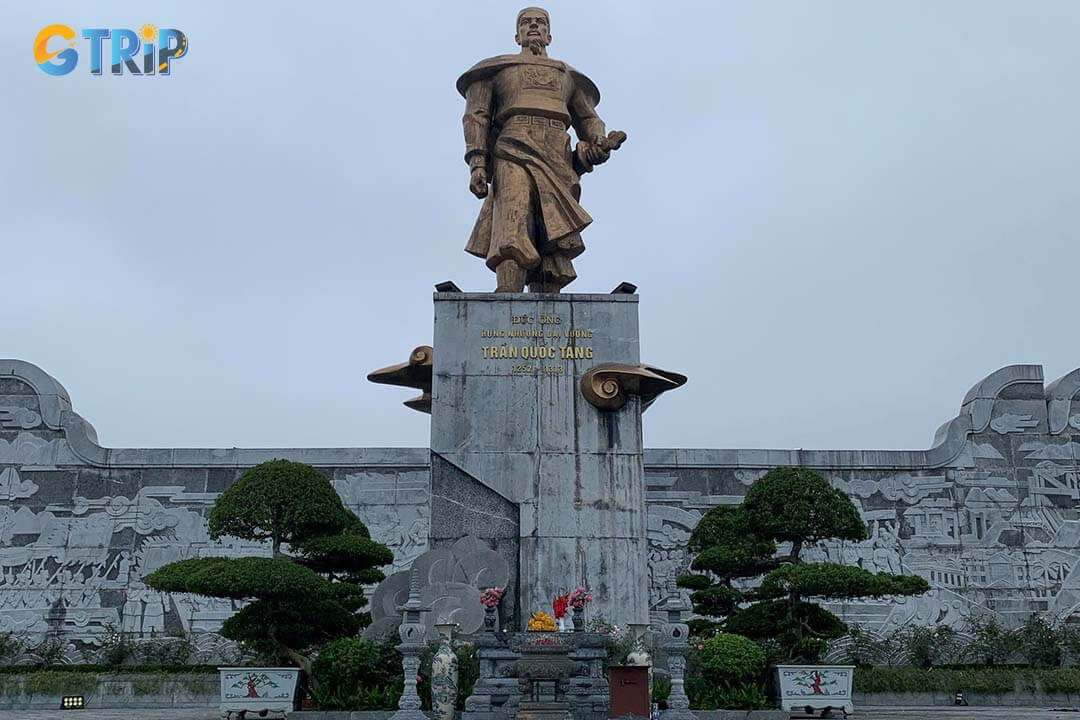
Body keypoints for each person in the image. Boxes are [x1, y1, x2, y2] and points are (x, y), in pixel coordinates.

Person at [458, 7, 624, 292]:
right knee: (513, 217)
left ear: (549, 35)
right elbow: (477, 115)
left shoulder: (566, 75)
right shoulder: (499, 68)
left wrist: (597, 142)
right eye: (526, 22)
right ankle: (507, 297)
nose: (533, 26)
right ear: (517, 34)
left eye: (540, 23)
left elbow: (588, 119)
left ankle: (549, 308)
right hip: (513, 147)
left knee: (553, 235)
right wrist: (477, 164)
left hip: (557, 153)